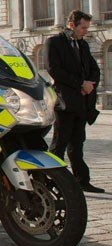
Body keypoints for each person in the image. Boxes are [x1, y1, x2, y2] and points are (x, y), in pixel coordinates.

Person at [46, 10, 104, 193]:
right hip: (65, 102)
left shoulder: (83, 44)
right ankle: (51, 182)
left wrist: (90, 85)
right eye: (83, 27)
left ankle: (82, 181)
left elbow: (94, 69)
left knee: (77, 144)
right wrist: (80, 83)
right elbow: (54, 70)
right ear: (72, 25)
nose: (86, 31)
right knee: (59, 144)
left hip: (82, 102)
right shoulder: (54, 42)